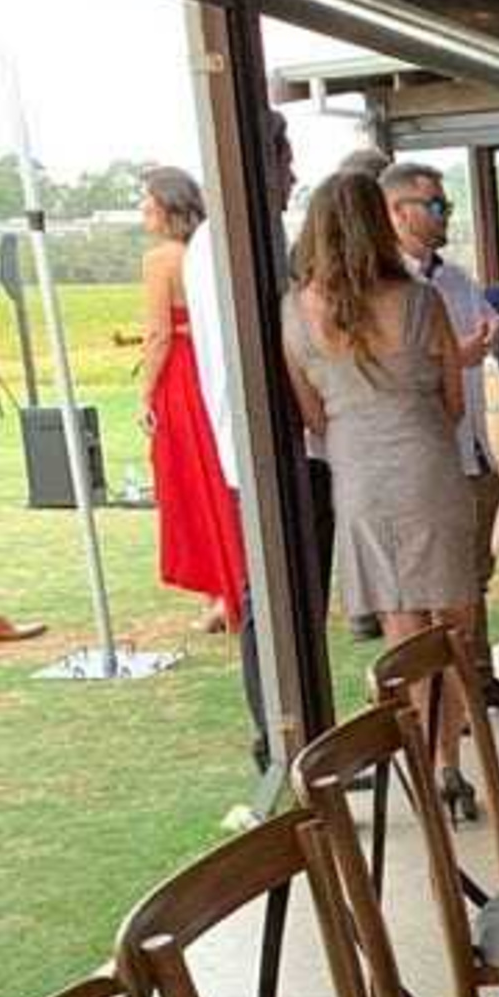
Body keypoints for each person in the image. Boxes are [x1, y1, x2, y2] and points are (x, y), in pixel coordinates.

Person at [281, 171, 480, 815]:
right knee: (451, 626)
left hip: (359, 475)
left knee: (402, 633)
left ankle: (419, 765)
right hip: (426, 464)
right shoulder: (420, 301)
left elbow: (312, 414)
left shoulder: (297, 312)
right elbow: (453, 402)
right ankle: (449, 762)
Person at [185, 107, 328, 776]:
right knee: (271, 602)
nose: (293, 173)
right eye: (284, 159)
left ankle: (299, 732)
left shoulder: (251, 233)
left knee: (297, 599)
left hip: (280, 446)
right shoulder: (232, 240)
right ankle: (279, 738)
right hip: (268, 450)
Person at [381, 160, 499, 718]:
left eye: (445, 205)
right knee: (434, 592)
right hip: (425, 457)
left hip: (473, 444)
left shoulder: (453, 278)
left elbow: (486, 329)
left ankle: (479, 680)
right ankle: (446, 708)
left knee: (475, 576)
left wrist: (496, 335)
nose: (443, 215)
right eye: (433, 205)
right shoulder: (386, 287)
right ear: (396, 212)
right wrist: (459, 353)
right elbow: (397, 370)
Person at [138, 166, 246, 634]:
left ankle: (222, 589)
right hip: (208, 363)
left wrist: (146, 392)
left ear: (166, 206)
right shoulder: (205, 251)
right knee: (216, 474)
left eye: (147, 201)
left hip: (180, 372)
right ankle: (230, 583)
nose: (142, 210)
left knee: (189, 478)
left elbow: (158, 333)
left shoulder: (161, 260)